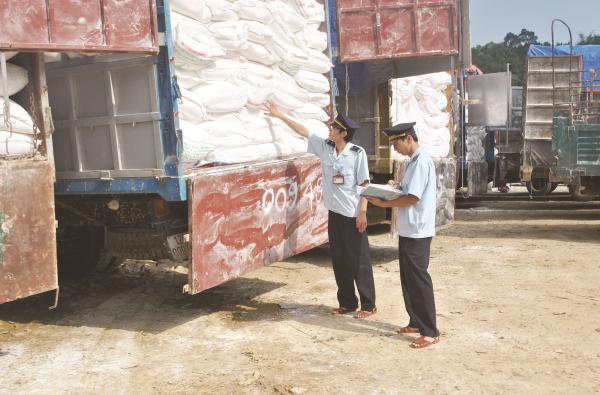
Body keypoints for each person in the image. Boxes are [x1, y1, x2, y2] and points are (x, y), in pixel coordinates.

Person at [263, 101, 377, 319]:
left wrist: (363, 212)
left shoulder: (357, 153)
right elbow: (304, 131)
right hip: (334, 214)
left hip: (353, 215)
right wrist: (279, 115)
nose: (330, 130)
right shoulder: (325, 148)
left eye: (334, 128)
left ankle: (368, 305)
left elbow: (364, 184)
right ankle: (347, 303)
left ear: (343, 133)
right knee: (340, 260)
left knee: (359, 261)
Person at [365, 122, 440, 348]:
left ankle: (430, 331)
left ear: (408, 138)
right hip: (410, 229)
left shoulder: (421, 162)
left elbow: (413, 198)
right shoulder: (413, 162)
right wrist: (396, 185)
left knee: (418, 280)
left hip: (418, 230)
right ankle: (416, 321)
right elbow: (408, 190)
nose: (395, 148)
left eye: (396, 143)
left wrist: (384, 201)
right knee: (408, 279)